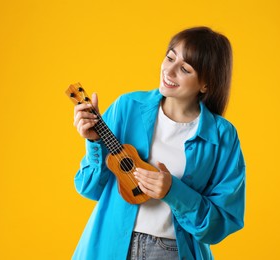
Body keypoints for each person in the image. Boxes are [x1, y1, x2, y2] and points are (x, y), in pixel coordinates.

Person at [71, 26, 246, 260]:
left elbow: (222, 221)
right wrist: (93, 142)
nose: (169, 71)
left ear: (205, 84)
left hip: (173, 253)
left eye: (184, 69)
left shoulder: (222, 136)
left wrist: (173, 191)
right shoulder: (127, 107)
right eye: (170, 57)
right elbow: (90, 188)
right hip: (108, 245)